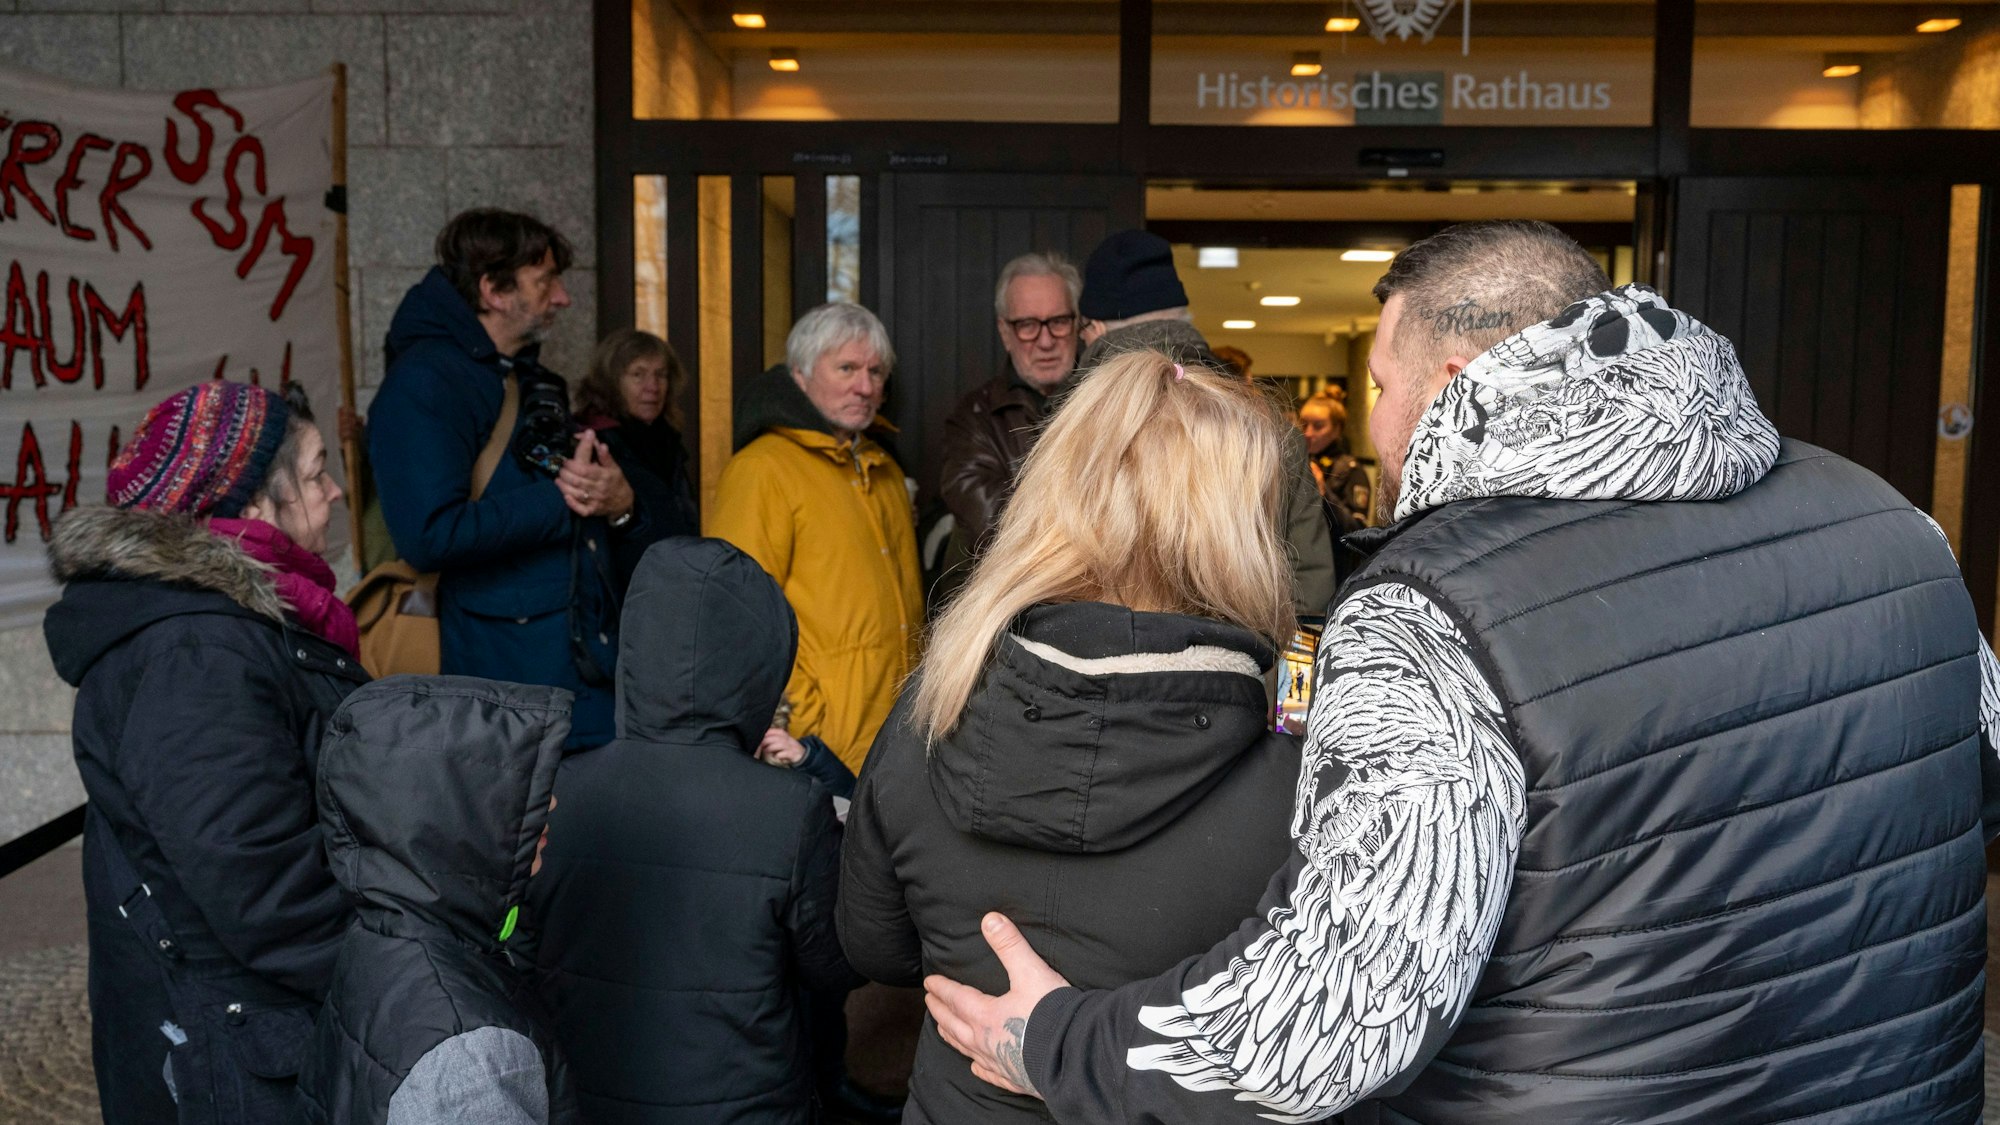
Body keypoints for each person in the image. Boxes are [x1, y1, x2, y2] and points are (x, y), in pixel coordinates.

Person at [922, 220, 2000, 1122]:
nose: (1378, 427)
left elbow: (1331, 1019)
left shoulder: (1428, 612)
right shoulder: (1893, 521)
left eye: (1381, 386)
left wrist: (1052, 1040)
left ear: (1449, 382)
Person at [839, 349, 1303, 1124]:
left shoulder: (933, 702)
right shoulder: (1293, 766)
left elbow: (872, 944)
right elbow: (1307, 1038)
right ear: (1240, 524)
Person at [44, 380, 365, 1122]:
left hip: (249, 1036)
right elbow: (265, 891)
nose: (338, 491)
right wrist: (398, 970)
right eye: (316, 472)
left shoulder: (229, 625)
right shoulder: (194, 650)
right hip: (236, 1056)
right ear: (252, 506)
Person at [529, 537, 858, 1125]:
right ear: (759, 664)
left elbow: (520, 948)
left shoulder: (557, 791)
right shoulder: (789, 811)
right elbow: (835, 967)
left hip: (586, 1103)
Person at [368, 208, 666, 751]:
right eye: (545, 280)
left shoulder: (526, 377)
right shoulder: (424, 384)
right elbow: (428, 534)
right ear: (494, 291)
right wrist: (563, 502)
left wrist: (618, 502)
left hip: (575, 674)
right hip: (505, 694)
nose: (562, 298)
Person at [298, 675, 574, 1125]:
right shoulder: (466, 1058)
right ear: (451, 823)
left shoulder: (383, 933)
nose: (553, 803)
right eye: (512, 796)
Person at [706, 301, 922, 777]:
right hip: (813, 742)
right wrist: (800, 716)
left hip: (895, 734)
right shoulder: (762, 470)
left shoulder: (883, 470)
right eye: (846, 368)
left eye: (875, 371)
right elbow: (736, 617)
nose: (865, 387)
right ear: (800, 375)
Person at [1071, 229, 1335, 617]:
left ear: (1093, 329)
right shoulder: (1268, 430)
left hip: (1098, 670)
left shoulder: (1074, 429)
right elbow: (1310, 587)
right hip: (1241, 669)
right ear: (1182, 319)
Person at [938, 251, 1083, 549]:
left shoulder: (1109, 401)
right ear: (1005, 332)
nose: (1046, 341)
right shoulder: (975, 419)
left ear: (1077, 322)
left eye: (1058, 321)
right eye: (1027, 325)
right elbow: (997, 528)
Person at [574, 328, 700, 579]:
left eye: (661, 375)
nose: (652, 387)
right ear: (611, 381)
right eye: (638, 375)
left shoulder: (667, 441)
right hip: (622, 593)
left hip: (673, 584)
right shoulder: (591, 443)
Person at [1298, 388, 1371, 531]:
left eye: (1318, 426)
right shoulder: (1299, 462)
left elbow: (1358, 531)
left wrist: (1323, 493)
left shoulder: (1351, 470)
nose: (1308, 433)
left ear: (1337, 429)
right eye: (1304, 424)